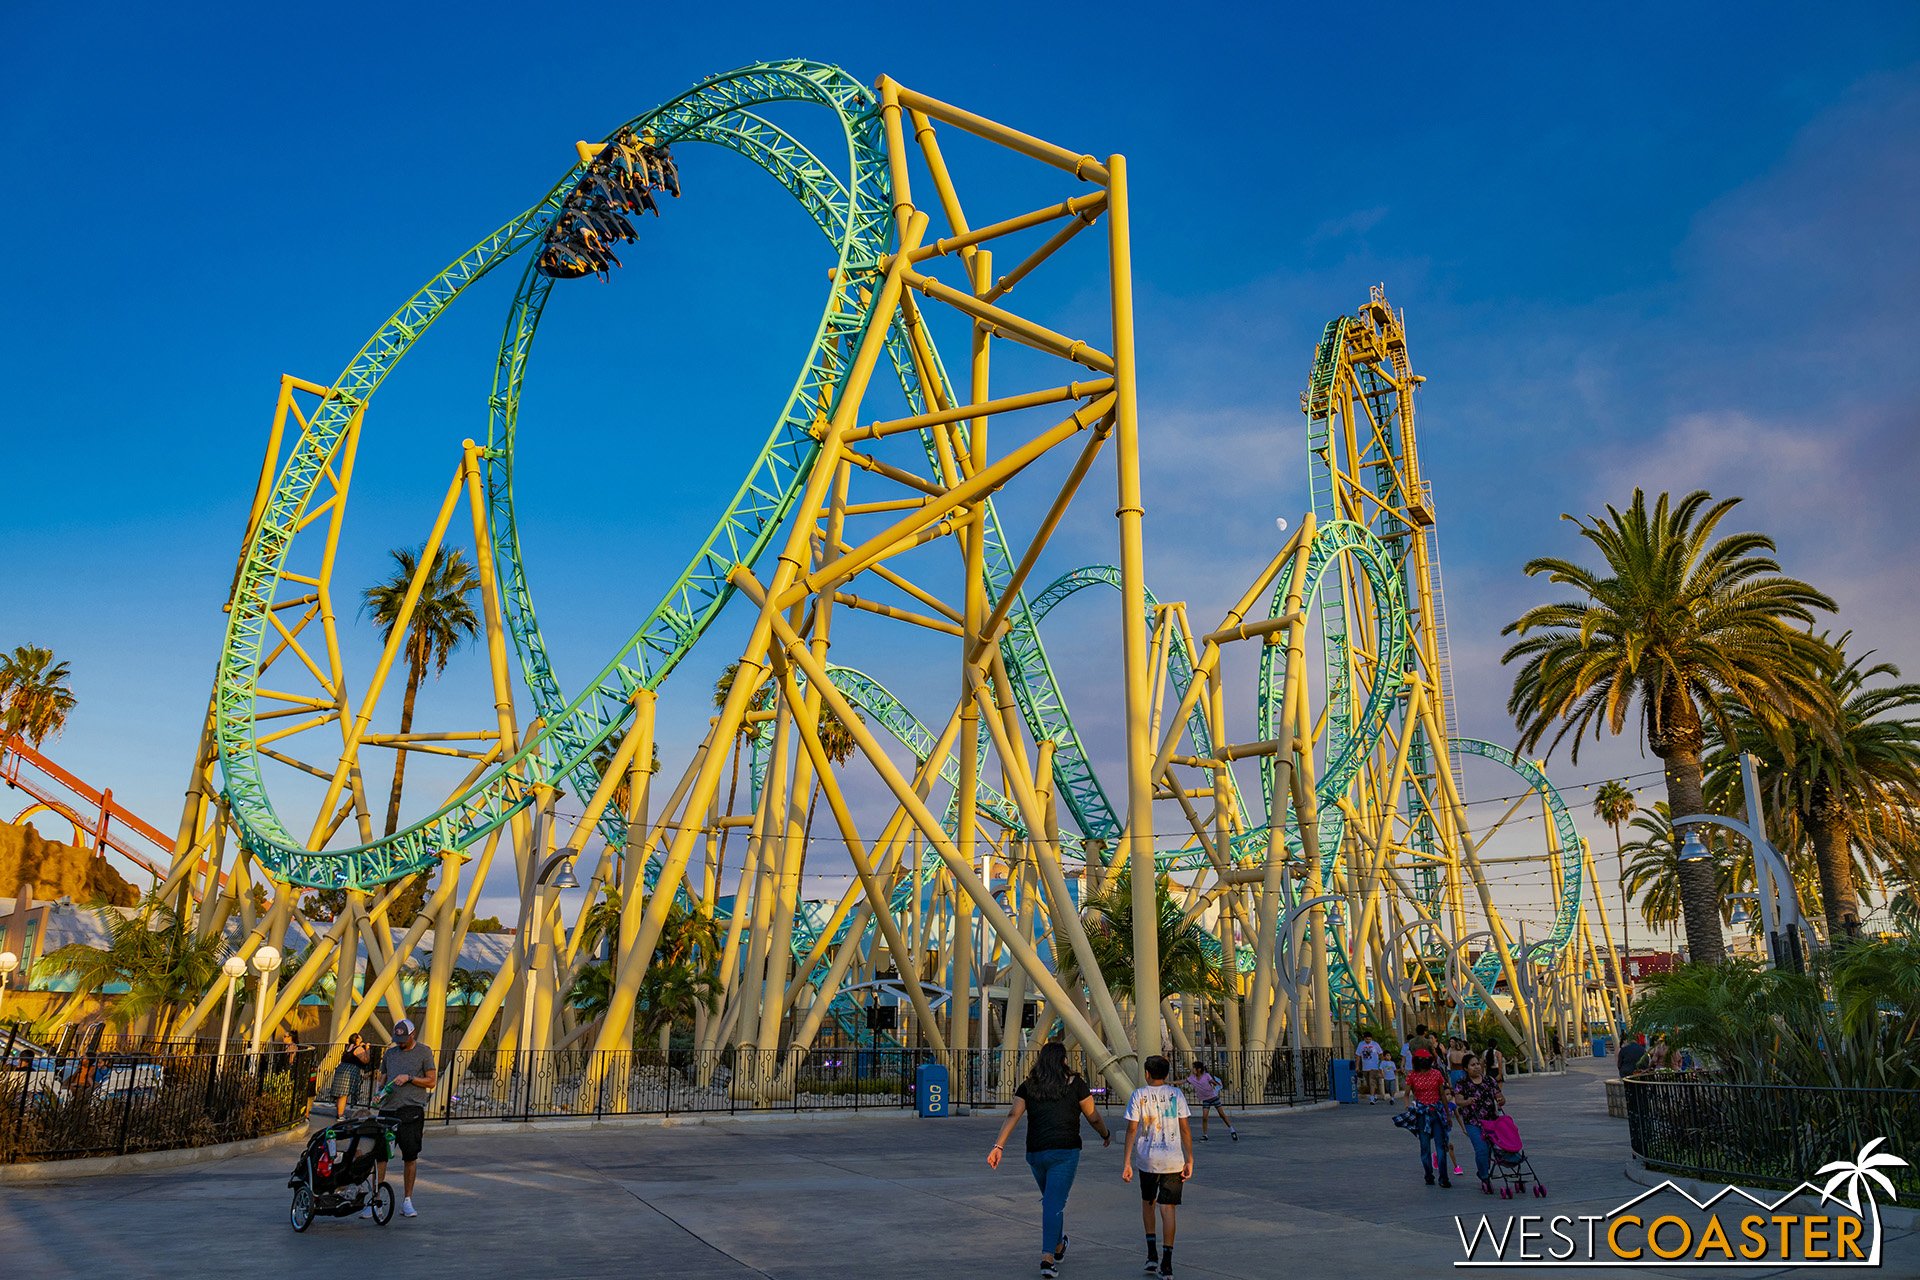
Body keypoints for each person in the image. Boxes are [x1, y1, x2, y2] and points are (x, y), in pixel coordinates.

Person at [987, 1042, 1113, 1279]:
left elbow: (1013, 1114)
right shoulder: (1076, 1084)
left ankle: (1058, 1246)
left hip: (1036, 1154)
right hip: (1064, 1152)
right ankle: (1047, 1258)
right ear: (1064, 1060)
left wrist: (998, 1145)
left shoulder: (1029, 1086)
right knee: (1053, 1203)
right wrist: (1105, 1134)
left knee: (1053, 1200)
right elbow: (1093, 1116)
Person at [1121, 1055, 1193, 1278]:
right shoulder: (1177, 1094)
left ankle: (1151, 1254)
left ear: (1147, 1074)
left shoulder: (1139, 1095)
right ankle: (1167, 1263)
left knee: (1148, 1202)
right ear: (1167, 1074)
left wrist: (1126, 1162)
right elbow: (1185, 1129)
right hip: (1173, 1159)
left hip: (1148, 1159)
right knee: (1168, 1209)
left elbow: (1132, 1129)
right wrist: (1189, 1157)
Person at [368, 1018, 436, 1220]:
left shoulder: (424, 1052)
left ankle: (407, 1200)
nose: (400, 1042)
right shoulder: (390, 1053)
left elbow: (431, 1081)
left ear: (412, 1034)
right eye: (397, 1038)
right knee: (380, 1155)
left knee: (410, 1155)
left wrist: (410, 1078)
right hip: (388, 1109)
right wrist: (378, 1092)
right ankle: (376, 1199)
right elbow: (383, 1077)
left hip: (411, 1110)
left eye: (403, 1038)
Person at [1453, 1052, 1506, 1193]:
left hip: (1491, 1121)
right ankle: (1484, 1176)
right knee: (1481, 1149)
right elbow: (1458, 1100)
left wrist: (1501, 1100)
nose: (1476, 1067)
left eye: (1478, 1064)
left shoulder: (1489, 1080)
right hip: (1473, 1121)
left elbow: (1500, 1096)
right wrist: (1467, 1101)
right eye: (1472, 1065)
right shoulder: (1462, 1083)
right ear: (1465, 1068)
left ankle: (1484, 1171)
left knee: (1489, 1149)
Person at [1403, 1051, 1451, 1187]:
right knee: (1435, 1146)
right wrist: (1447, 1114)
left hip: (1427, 1113)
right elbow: (1442, 1095)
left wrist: (1408, 1107)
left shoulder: (1416, 1075)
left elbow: (1406, 1094)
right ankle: (1440, 1177)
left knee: (1429, 1147)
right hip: (1429, 1113)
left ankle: (1434, 1176)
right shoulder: (1433, 1074)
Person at [1183, 1061, 1237, 1139]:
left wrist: (1217, 1085)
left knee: (1222, 1115)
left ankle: (1232, 1130)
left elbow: (1213, 1082)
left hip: (1213, 1097)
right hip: (1206, 1100)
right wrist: (1169, 1082)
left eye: (1194, 1068)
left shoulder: (1206, 1076)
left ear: (1199, 1069)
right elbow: (1182, 1081)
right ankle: (1205, 1135)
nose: (1193, 1069)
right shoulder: (1192, 1078)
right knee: (1204, 1117)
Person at [333, 1033, 373, 1118]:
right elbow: (366, 1060)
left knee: (340, 1093)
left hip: (341, 1068)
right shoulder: (358, 1049)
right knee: (344, 1094)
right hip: (349, 1071)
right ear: (357, 1039)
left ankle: (338, 1113)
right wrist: (367, 1049)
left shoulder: (348, 1047)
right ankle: (340, 1115)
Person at [1355, 1032, 1386, 1104]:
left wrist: (1381, 1064)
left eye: (1369, 1039)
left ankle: (1371, 1098)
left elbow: (1381, 1054)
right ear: (1364, 1038)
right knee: (1369, 1083)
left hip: (1374, 1067)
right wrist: (1357, 1066)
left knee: (1372, 1082)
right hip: (1365, 1067)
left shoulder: (1375, 1044)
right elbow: (1358, 1056)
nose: (1368, 1040)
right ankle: (1374, 1096)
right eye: (1366, 1039)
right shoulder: (1361, 1044)